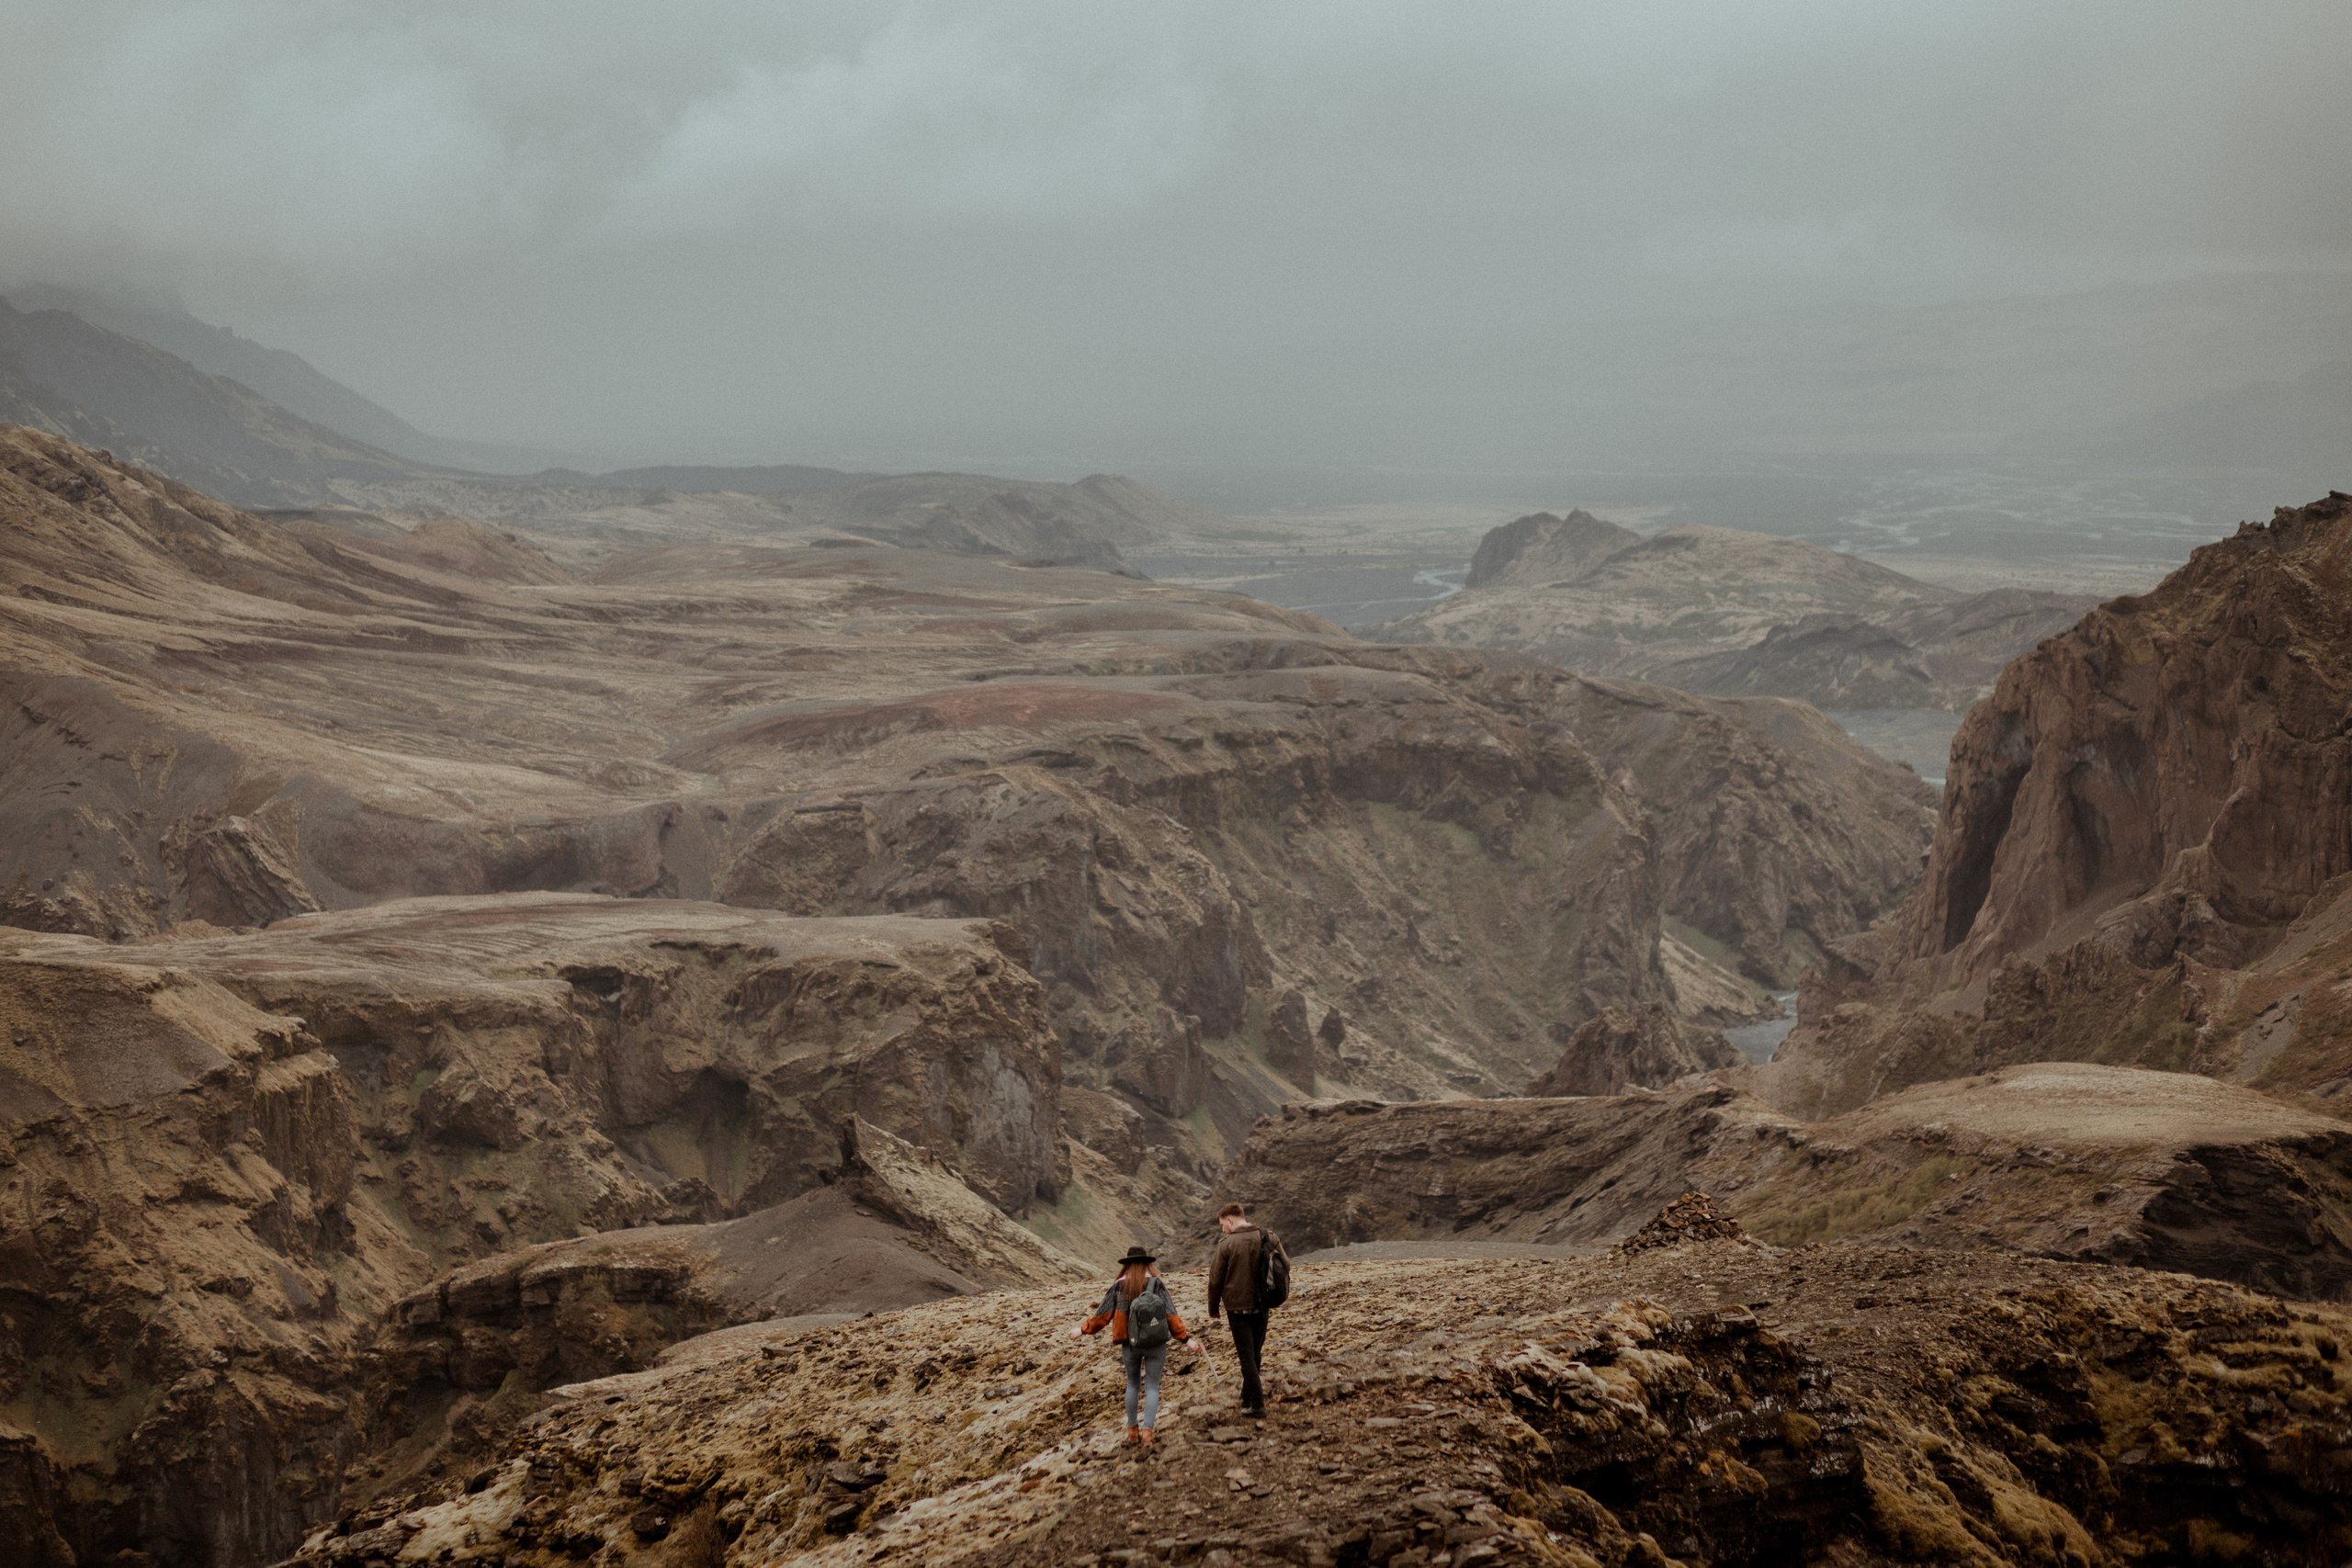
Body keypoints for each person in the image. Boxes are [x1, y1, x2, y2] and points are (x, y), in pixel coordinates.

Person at [1071, 1245, 1202, 1443]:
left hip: (1129, 1344)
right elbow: (1171, 1314)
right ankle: (1148, 1433)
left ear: (1127, 1265)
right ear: (1147, 1264)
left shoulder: (1118, 1286)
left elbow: (1102, 1315)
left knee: (1132, 1384)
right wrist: (1186, 1339)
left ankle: (1133, 1432)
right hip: (1156, 1343)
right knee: (1151, 1387)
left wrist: (1082, 1329)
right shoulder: (1157, 1284)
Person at [1204, 1202, 1287, 1417]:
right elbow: (1285, 1265)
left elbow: (1215, 1280)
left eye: (1223, 1225)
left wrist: (1213, 1308)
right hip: (1263, 1305)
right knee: (1255, 1353)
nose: (1223, 1229)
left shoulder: (1226, 1244)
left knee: (1246, 1356)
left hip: (1237, 1308)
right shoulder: (1268, 1236)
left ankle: (1258, 1405)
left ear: (1230, 1221)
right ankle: (1246, 1397)